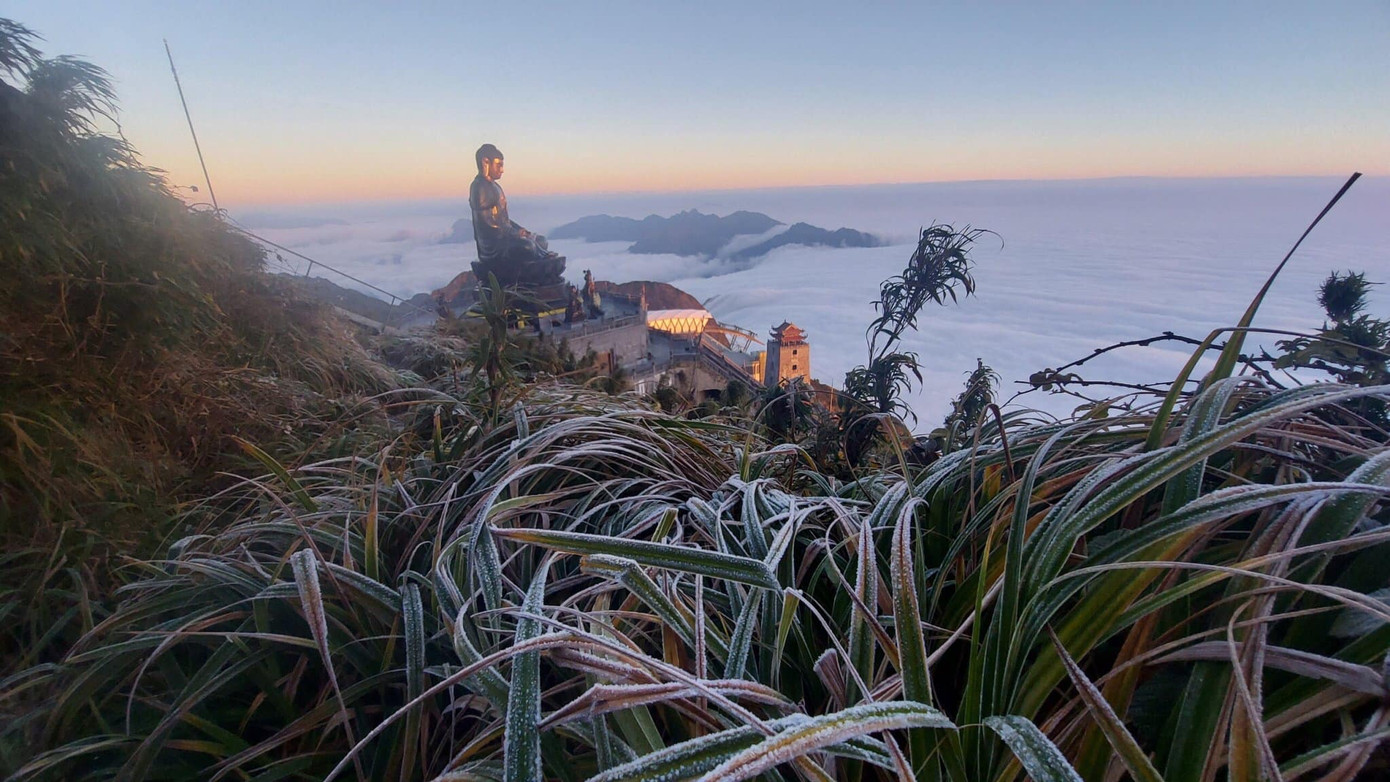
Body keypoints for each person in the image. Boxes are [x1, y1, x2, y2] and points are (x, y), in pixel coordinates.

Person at [469, 144, 564, 287]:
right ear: (485, 162)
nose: (502, 170)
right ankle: (541, 259)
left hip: (505, 237)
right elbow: (488, 225)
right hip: (494, 246)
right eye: (499, 165)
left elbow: (503, 219)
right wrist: (515, 234)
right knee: (527, 246)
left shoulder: (495, 186)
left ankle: (541, 255)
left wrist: (521, 230)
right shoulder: (479, 187)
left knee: (541, 240)